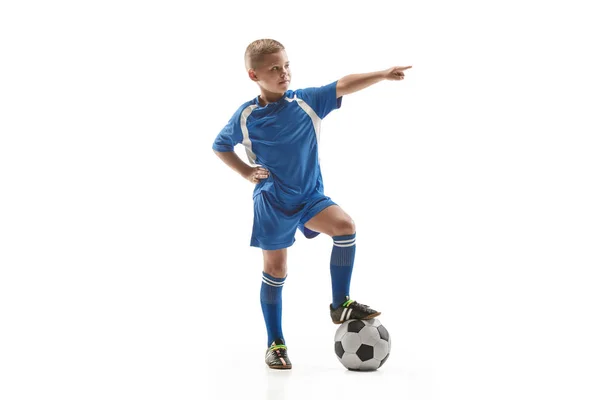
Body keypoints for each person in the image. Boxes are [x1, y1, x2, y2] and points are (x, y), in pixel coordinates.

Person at [212, 38, 411, 369]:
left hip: (308, 197)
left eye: (286, 65)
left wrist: (382, 74)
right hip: (272, 201)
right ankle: (275, 343)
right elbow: (220, 145)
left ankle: (340, 303)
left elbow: (343, 84)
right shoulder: (246, 115)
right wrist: (247, 172)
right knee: (276, 270)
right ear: (254, 75)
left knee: (345, 226)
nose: (283, 73)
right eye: (274, 68)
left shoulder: (304, 102)